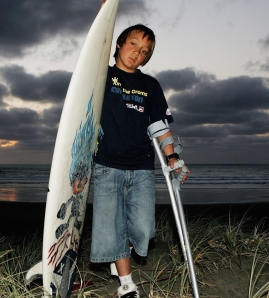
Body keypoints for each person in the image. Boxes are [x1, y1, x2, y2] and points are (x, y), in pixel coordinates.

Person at [90, 21, 190, 298]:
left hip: (143, 166)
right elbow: (94, 49)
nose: (137, 53)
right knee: (112, 226)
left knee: (144, 229)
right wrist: (103, 17)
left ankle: (118, 251)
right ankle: (126, 284)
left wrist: (172, 157)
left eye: (145, 51)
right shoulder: (103, 76)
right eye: (133, 44)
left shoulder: (150, 85)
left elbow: (159, 125)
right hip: (107, 165)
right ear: (120, 43)